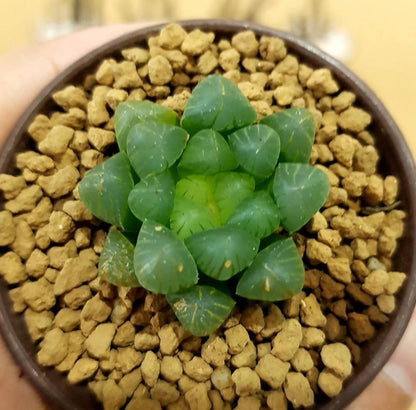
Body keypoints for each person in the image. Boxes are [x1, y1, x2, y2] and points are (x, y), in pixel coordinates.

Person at [0, 24, 415, 410]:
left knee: (248, 187)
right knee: (133, 178)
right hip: (172, 232)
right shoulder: (149, 184)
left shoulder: (262, 169)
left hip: (231, 233)